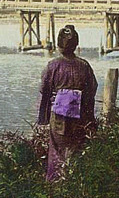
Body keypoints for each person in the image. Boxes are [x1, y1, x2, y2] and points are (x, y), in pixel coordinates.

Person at [38, 24, 98, 181]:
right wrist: (89, 117)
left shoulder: (53, 65)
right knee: (76, 148)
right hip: (79, 114)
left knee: (57, 151)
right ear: (76, 45)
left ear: (58, 45)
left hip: (59, 115)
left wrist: (43, 117)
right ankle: (74, 184)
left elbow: (44, 89)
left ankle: (54, 184)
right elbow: (91, 90)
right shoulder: (84, 66)